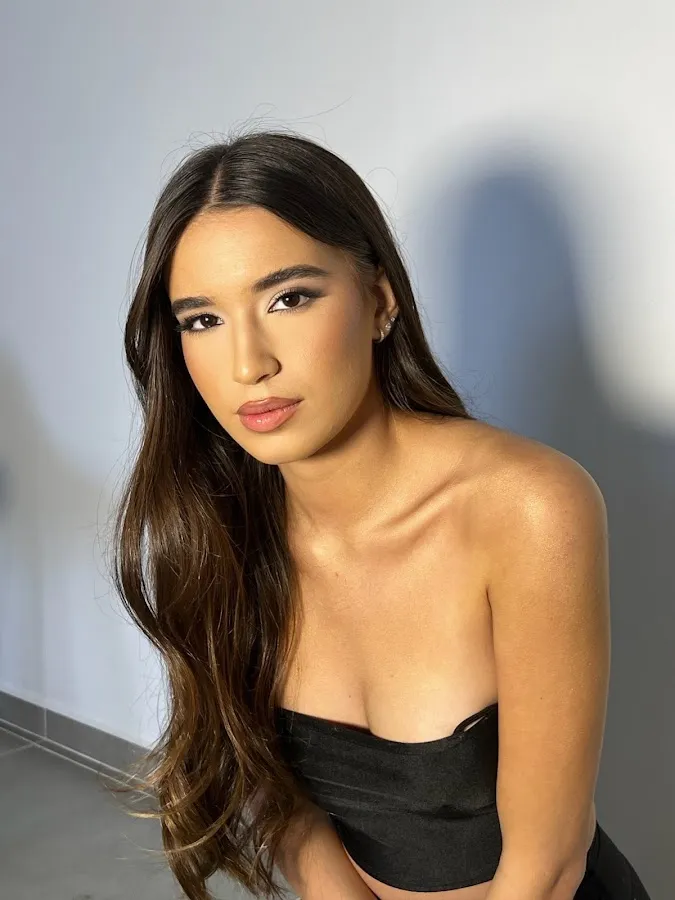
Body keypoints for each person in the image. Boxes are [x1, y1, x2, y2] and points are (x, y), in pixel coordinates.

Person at [108, 129, 651, 900]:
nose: (248, 364)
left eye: (289, 298)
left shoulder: (528, 508)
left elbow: (549, 863)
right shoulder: (214, 528)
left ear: (380, 301)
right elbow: (272, 795)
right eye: (203, 320)